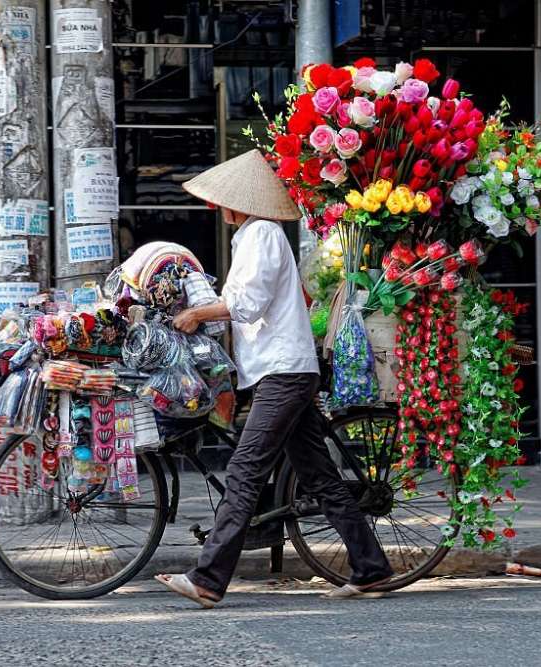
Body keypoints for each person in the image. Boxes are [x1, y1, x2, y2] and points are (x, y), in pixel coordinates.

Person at [154, 149, 394, 607]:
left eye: (222, 200)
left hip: (282, 373)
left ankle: (208, 578)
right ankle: (371, 568)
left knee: (245, 472)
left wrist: (196, 314)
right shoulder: (254, 235)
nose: (217, 207)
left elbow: (248, 303)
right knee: (319, 476)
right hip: (283, 370)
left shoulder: (261, 233)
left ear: (237, 201)